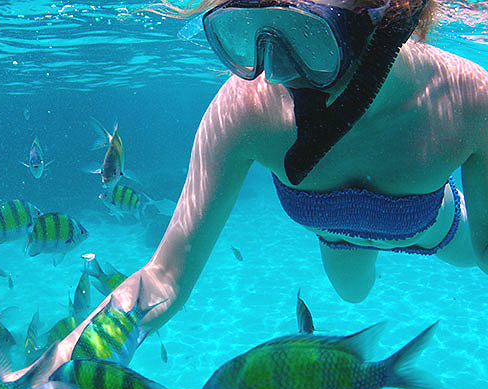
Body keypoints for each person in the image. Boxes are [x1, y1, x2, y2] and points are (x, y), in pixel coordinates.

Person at [80, 0, 488, 350]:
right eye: (251, 32)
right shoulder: (243, 108)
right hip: (338, 240)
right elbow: (164, 277)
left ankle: (444, 207)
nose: (273, 72)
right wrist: (53, 373)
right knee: (354, 295)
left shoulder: (469, 98)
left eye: (309, 36)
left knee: (471, 257)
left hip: (429, 227)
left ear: (390, 21)